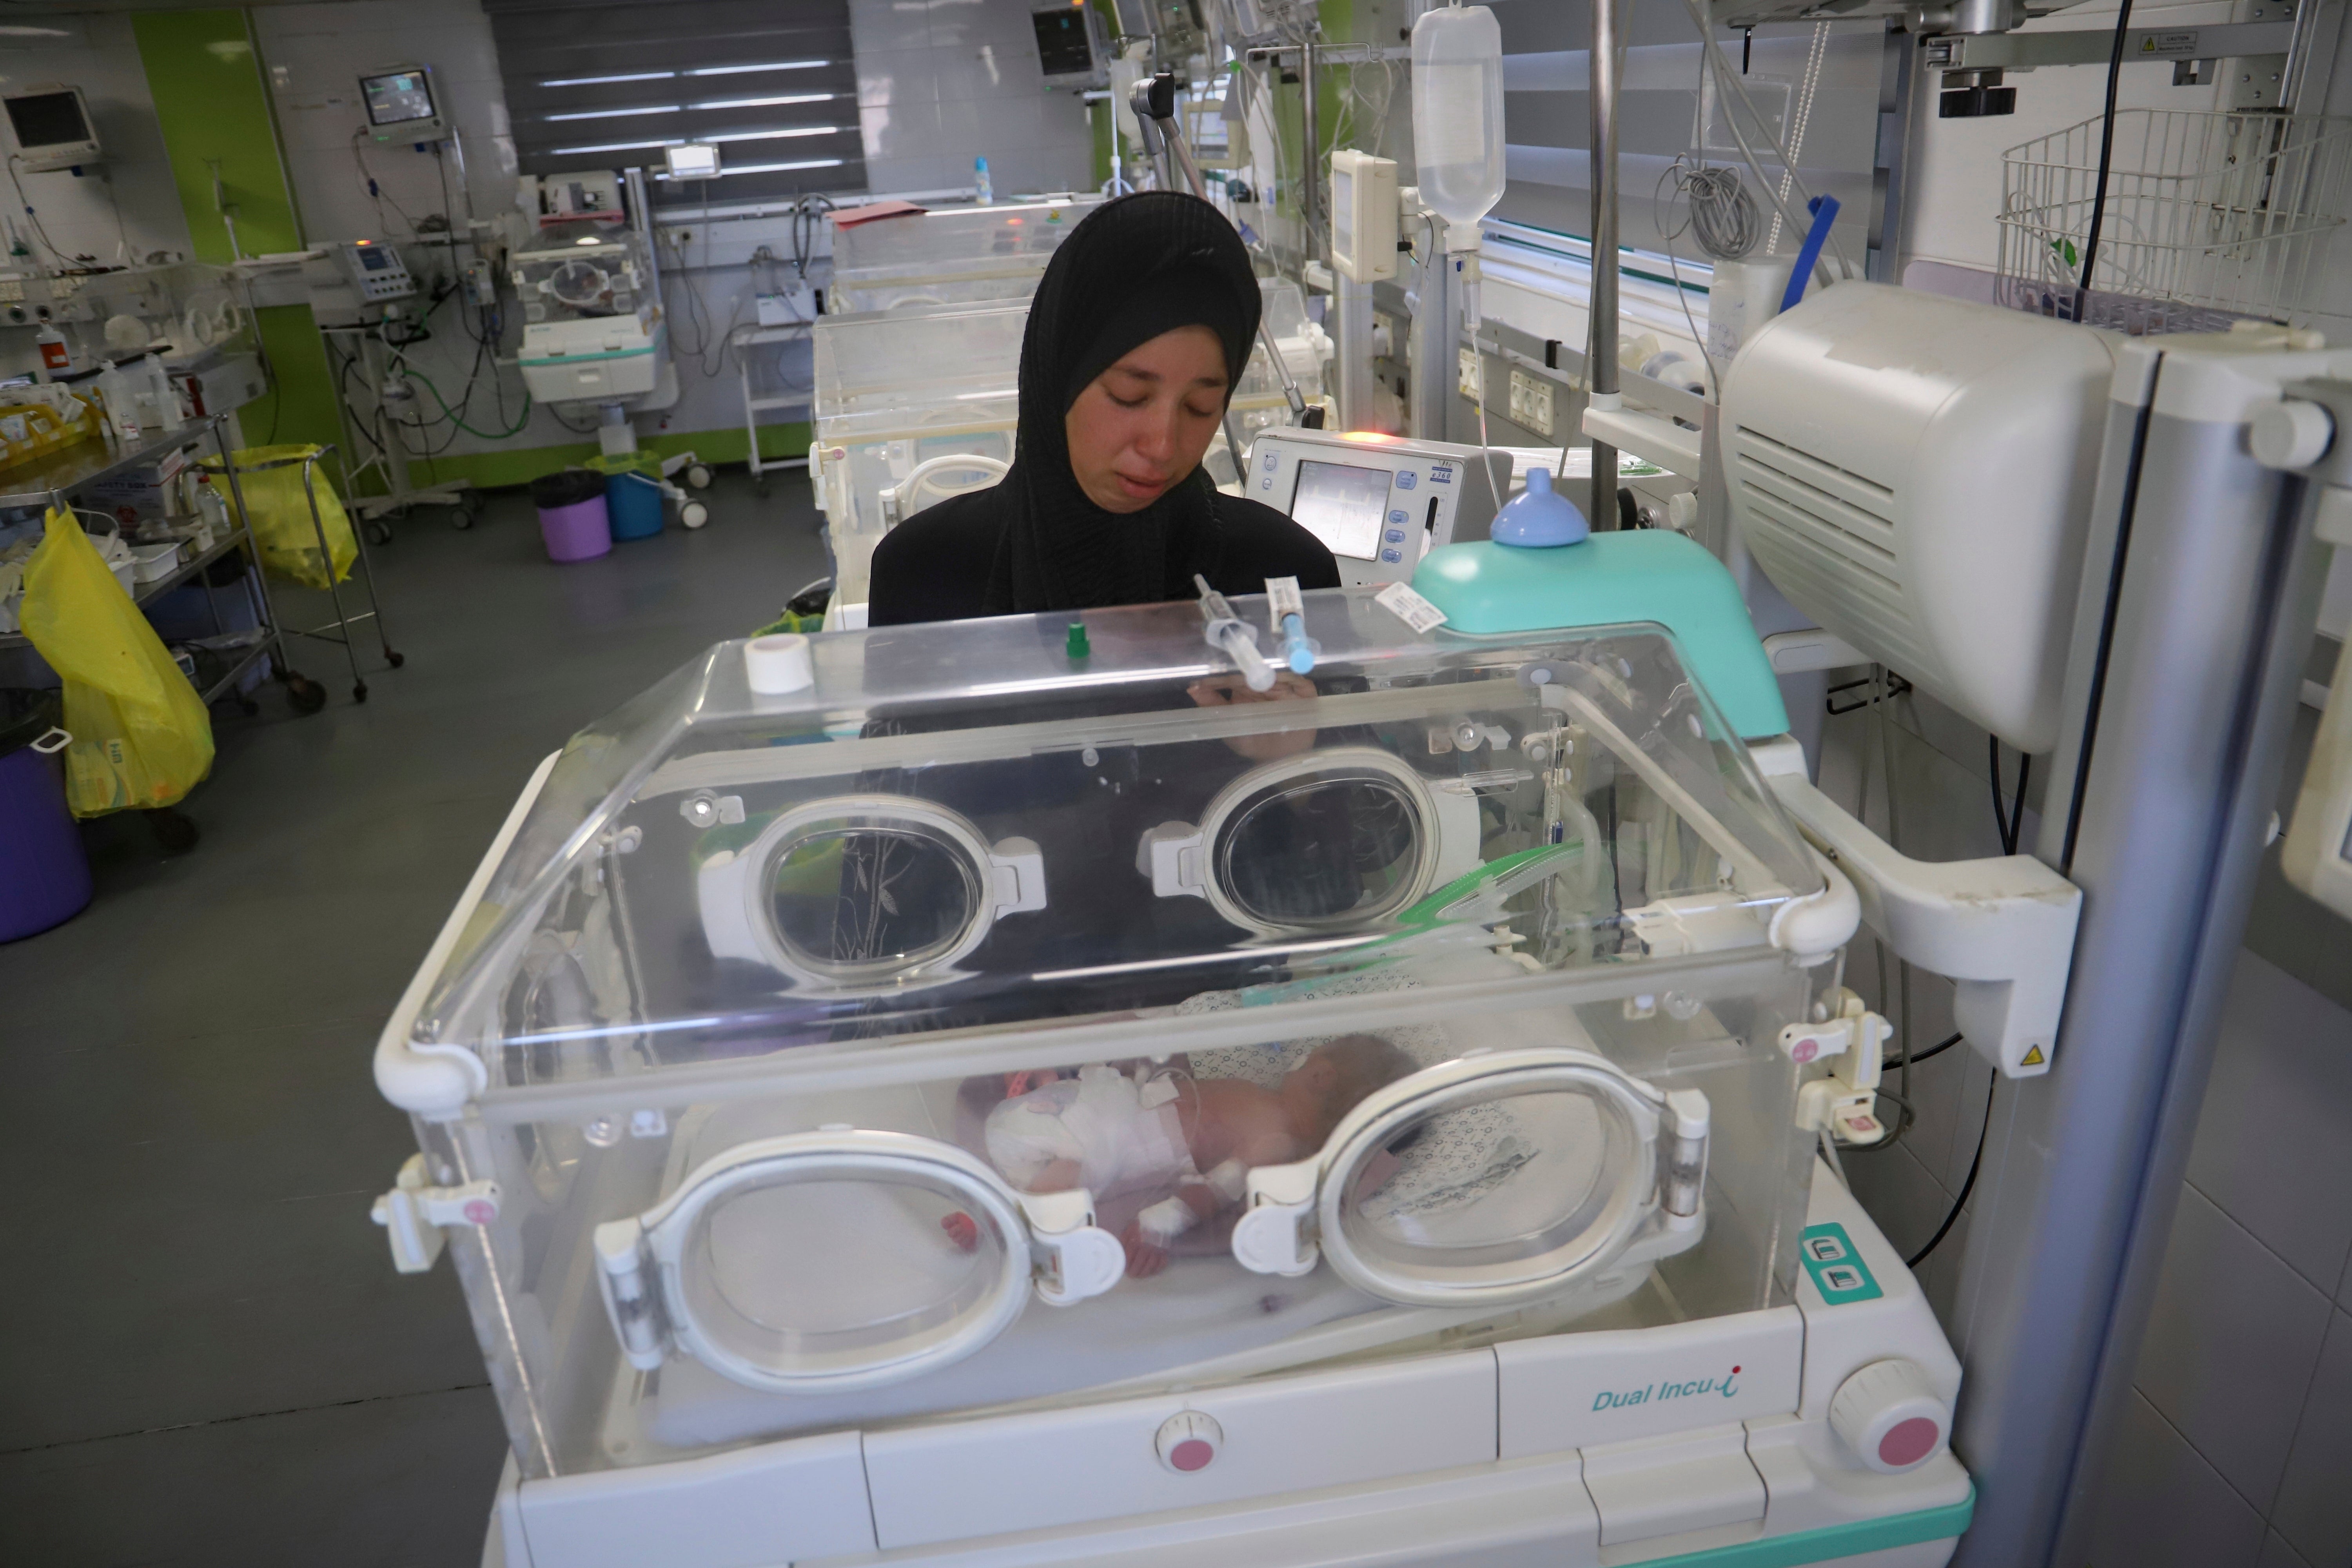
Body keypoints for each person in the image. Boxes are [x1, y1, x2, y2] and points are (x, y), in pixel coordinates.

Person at [868, 192, 1339, 626]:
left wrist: (1303, 720)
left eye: (1200, 406)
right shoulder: (923, 575)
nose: (1161, 446)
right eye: (1128, 397)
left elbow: (1355, 716)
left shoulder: (1287, 574)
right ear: (1057, 381)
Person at [957, 1036, 1415, 1277]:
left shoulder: (1279, 1140)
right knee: (1077, 1139)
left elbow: (1219, 1188)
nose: (1294, 1064)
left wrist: (1161, 1224)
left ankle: (1001, 1218)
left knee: (1075, 1166)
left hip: (1125, 1137)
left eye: (1307, 1059)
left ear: (1321, 1075)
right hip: (1115, 1106)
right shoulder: (1263, 1099)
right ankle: (1041, 1099)